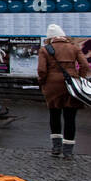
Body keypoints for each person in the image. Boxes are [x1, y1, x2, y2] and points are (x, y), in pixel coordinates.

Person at [37, 23, 90, 158]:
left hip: (52, 86)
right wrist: (79, 79)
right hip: (71, 85)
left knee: (54, 115)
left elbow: (42, 70)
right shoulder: (73, 47)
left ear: (50, 38)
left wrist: (43, 82)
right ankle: (68, 151)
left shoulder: (45, 49)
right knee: (70, 117)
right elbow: (85, 65)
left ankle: (56, 147)